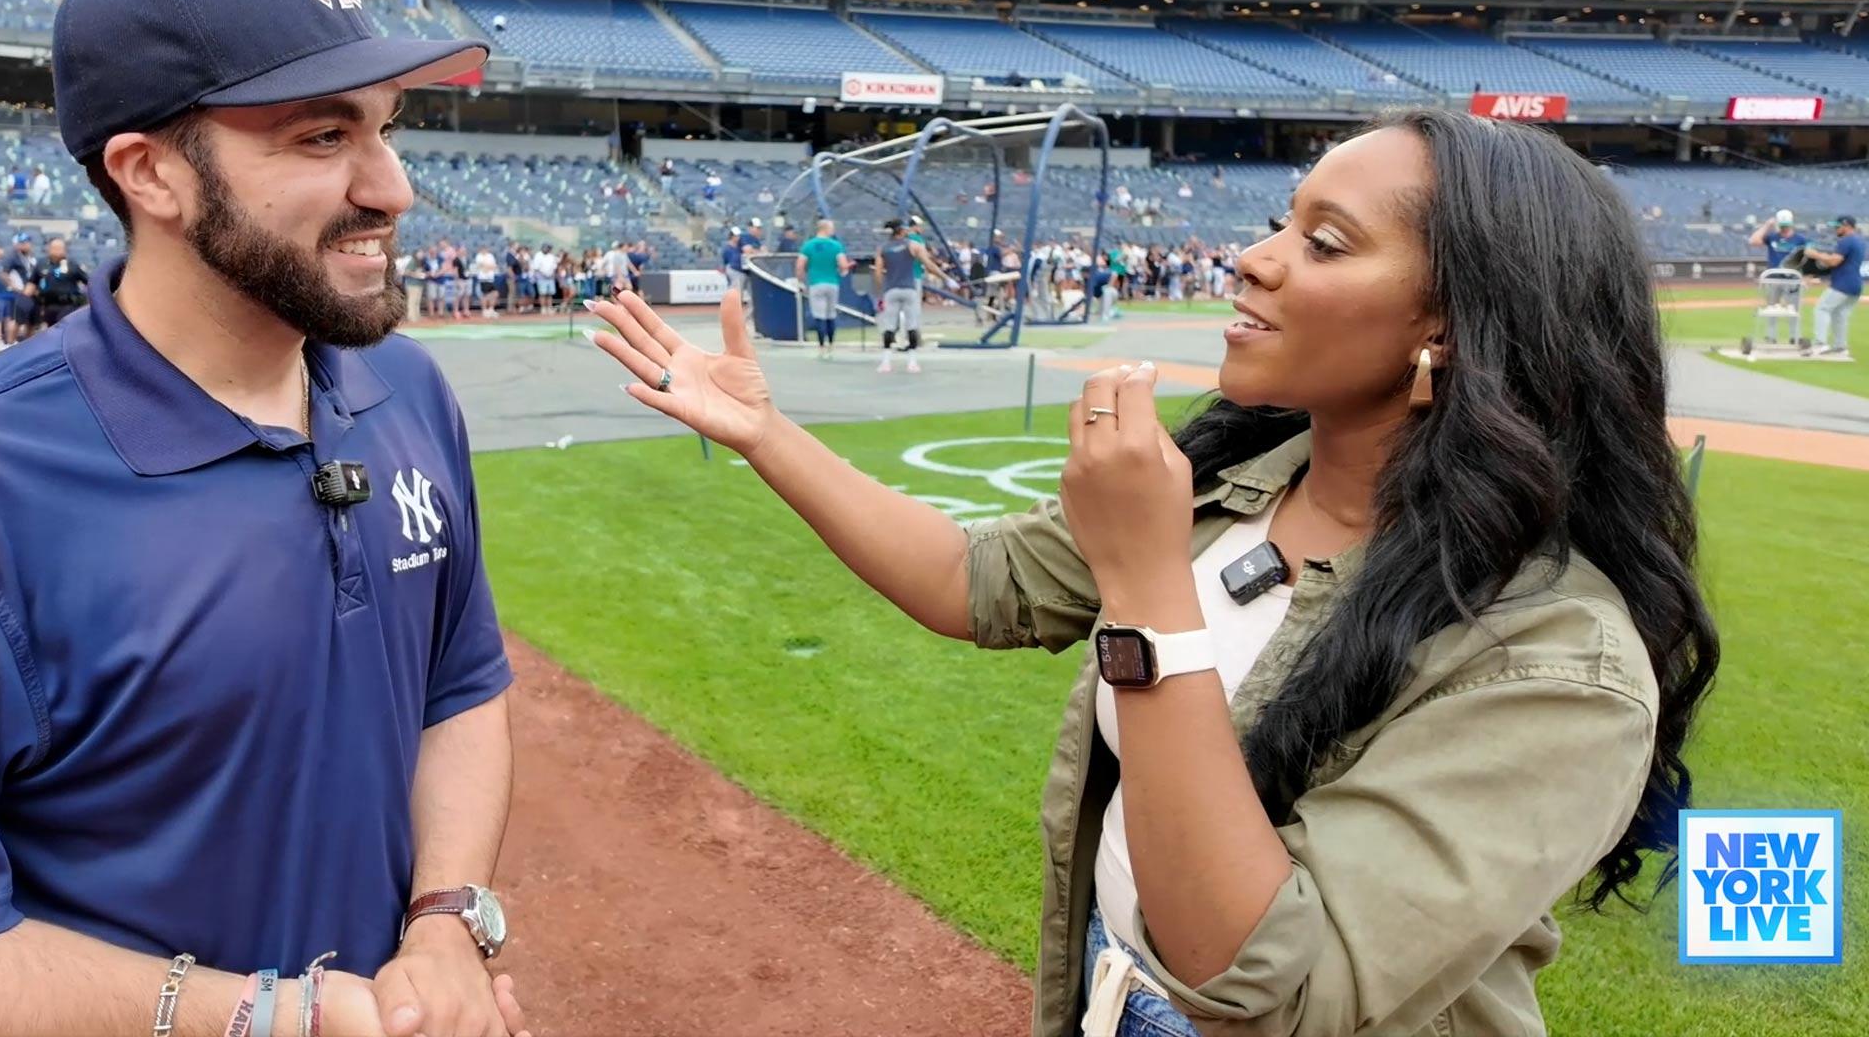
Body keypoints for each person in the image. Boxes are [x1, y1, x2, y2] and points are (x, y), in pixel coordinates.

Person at [588, 110, 1717, 1037]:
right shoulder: (1230, 482)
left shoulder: (1553, 654)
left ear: (1457, 327)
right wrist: (765, 431)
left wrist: (1145, 592)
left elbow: (1268, 978)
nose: (1254, 255)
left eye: (1325, 243)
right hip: (1110, 995)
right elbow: (971, 578)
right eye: (1283, 218)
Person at [0, 0, 530, 1037]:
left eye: (386, 127)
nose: (393, 186)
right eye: (323, 137)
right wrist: (269, 1016)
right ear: (151, 172)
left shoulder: (404, 388)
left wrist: (448, 918)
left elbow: (459, 690)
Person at [874, 219, 946, 374]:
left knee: (889, 326)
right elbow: (929, 265)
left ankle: (886, 362)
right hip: (909, 289)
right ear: (901, 231)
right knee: (912, 325)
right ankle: (912, 362)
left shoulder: (883, 249)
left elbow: (878, 273)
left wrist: (882, 291)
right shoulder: (913, 246)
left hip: (891, 290)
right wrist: (946, 278)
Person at [1804, 214, 1863, 360]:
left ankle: (1820, 343)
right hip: (1855, 284)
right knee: (1840, 314)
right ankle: (1840, 347)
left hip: (1843, 283)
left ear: (1846, 225)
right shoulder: (1859, 241)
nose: (1835, 229)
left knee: (1822, 308)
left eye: (1838, 226)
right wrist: (1826, 257)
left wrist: (1816, 254)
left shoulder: (1846, 241)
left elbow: (1834, 262)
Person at [1748, 209, 1809, 344]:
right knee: (1771, 309)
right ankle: (1771, 337)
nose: (1784, 228)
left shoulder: (1800, 240)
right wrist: (1767, 225)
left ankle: (1795, 337)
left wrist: (1806, 277)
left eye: (1786, 225)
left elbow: (1807, 259)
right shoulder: (1772, 237)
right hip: (1773, 278)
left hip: (1792, 280)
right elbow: (1753, 241)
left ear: (1791, 224)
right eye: (1782, 225)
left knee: (1794, 310)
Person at [795, 218, 851, 358]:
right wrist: (844, 269)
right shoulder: (836, 246)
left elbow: (800, 265)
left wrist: (800, 281)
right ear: (825, 228)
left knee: (819, 315)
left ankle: (821, 346)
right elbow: (843, 265)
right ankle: (831, 345)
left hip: (816, 283)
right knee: (831, 314)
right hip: (832, 283)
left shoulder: (808, 245)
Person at [34, 237, 89, 329]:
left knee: (62, 328)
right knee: (51, 332)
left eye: (59, 248)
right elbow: (32, 284)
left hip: (67, 305)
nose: (56, 251)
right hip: (48, 306)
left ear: (65, 250)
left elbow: (88, 281)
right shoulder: (41, 264)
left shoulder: (73, 265)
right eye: (54, 248)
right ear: (49, 249)